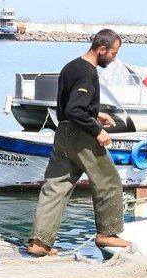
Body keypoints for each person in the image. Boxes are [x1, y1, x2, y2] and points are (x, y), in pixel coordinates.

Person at [27, 29, 132, 256]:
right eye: (113, 53)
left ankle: (39, 242)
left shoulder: (71, 67)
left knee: (56, 187)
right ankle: (107, 233)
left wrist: (95, 114)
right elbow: (75, 109)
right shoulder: (87, 73)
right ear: (101, 49)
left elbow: (69, 107)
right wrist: (97, 130)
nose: (114, 58)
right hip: (80, 135)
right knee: (109, 181)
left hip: (63, 133)